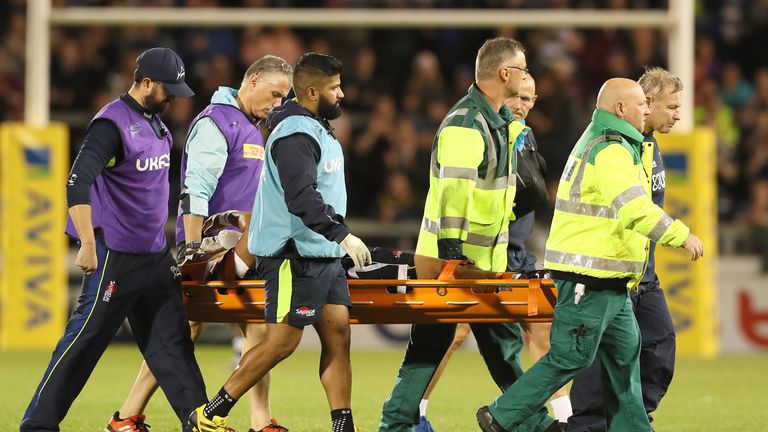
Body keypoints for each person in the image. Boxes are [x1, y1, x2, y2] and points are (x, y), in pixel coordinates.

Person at [477, 78, 705, 432]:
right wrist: (681, 234)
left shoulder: (619, 143)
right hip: (589, 277)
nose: (647, 110)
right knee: (572, 356)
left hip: (611, 280)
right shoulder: (609, 149)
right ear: (620, 109)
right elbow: (634, 209)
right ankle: (503, 415)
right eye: (641, 105)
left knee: (625, 363)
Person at [20, 47, 207, 432]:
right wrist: (87, 243)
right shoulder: (111, 124)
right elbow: (77, 183)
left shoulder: (157, 123)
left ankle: (201, 423)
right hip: (113, 255)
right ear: (147, 83)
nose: (174, 97)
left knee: (173, 344)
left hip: (155, 255)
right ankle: (37, 426)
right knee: (84, 342)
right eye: (168, 89)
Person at [378, 38, 557, 432]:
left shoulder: (498, 122)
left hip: (481, 263)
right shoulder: (467, 123)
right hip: (455, 262)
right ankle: (396, 424)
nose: (528, 76)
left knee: (499, 345)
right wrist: (452, 251)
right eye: (523, 69)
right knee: (438, 346)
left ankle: (528, 422)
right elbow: (455, 193)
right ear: (505, 74)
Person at [107, 55, 293, 432]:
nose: (277, 103)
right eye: (274, 94)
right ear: (253, 81)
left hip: (246, 246)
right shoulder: (217, 122)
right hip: (212, 246)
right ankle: (126, 415)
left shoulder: (253, 126)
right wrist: (193, 249)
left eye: (283, 98)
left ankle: (260, 420)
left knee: (256, 324)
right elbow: (196, 189)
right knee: (186, 329)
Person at [187, 52, 371, 432]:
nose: (342, 94)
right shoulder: (294, 135)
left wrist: (337, 244)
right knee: (282, 342)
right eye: (334, 87)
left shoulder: (316, 129)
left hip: (323, 253)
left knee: (338, 336)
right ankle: (211, 413)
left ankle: (342, 425)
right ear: (312, 91)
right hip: (294, 254)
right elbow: (300, 197)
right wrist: (343, 234)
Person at [412, 76, 572, 432]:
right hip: (481, 254)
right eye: (516, 96)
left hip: (515, 250)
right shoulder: (481, 130)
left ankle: (563, 420)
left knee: (543, 331)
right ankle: (415, 413)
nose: (521, 104)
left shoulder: (524, 136)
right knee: (453, 336)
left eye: (528, 99)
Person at [567, 67, 685, 432]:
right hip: (611, 269)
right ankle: (588, 426)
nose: (677, 115)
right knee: (597, 357)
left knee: (660, 344)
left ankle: (633, 418)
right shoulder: (618, 146)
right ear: (646, 104)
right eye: (671, 107)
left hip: (644, 273)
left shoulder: (649, 144)